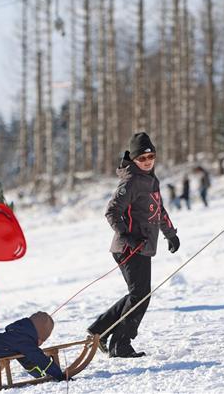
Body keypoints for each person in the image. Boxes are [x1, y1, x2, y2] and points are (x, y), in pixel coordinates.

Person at [87, 132, 180, 358]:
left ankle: (99, 329)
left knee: (138, 294)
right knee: (140, 295)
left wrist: (170, 234)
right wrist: (129, 238)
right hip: (128, 247)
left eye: (151, 156)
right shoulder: (130, 181)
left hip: (142, 246)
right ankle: (121, 343)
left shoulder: (151, 180)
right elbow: (112, 212)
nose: (147, 161)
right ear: (133, 159)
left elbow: (158, 210)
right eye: (142, 158)